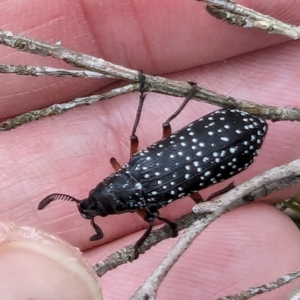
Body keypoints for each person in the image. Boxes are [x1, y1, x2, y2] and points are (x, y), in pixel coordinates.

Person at [1, 1, 300, 299]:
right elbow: (145, 144)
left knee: (188, 173)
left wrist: (153, 234)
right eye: (97, 206)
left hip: (233, 139)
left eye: (96, 205)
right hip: (230, 135)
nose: (94, 207)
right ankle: (185, 102)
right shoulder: (136, 166)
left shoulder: (151, 203)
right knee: (164, 131)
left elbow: (153, 221)